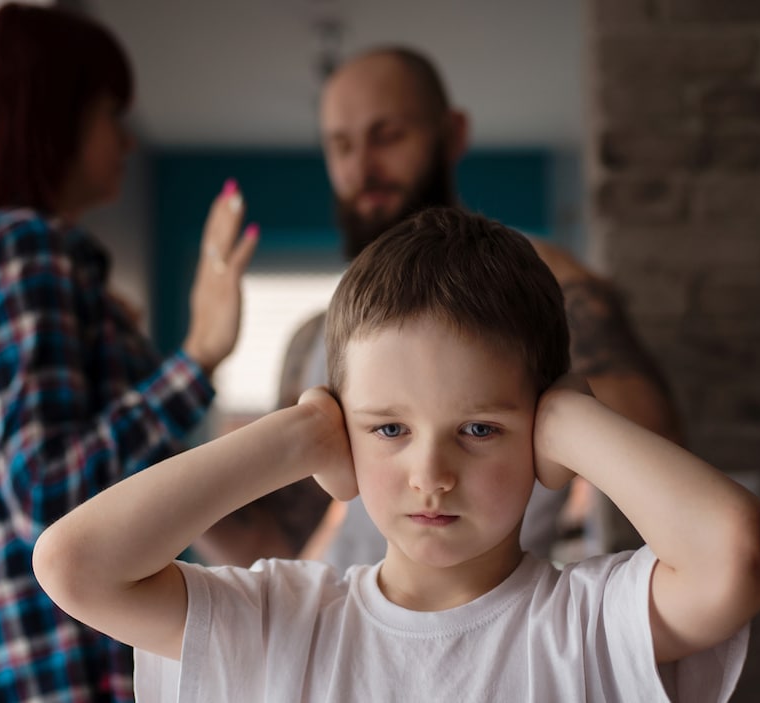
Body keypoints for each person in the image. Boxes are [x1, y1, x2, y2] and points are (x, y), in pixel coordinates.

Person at [34, 208, 760, 701]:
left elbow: (743, 553)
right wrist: (297, 438)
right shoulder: (284, 624)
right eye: (388, 429)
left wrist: (571, 421)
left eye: (481, 428)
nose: (431, 474)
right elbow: (74, 563)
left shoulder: (589, 624)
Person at [0, 5, 257, 701]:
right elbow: (49, 493)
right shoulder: (27, 252)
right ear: (53, 119)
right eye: (109, 114)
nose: (127, 141)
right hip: (46, 668)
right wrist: (196, 360)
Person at [225, 46, 682, 569]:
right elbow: (280, 545)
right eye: (341, 145)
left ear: (453, 134)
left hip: (502, 622)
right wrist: (192, 370)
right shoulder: (315, 338)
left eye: (388, 136)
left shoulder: (545, 290)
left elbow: (656, 445)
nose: (362, 169)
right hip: (354, 629)